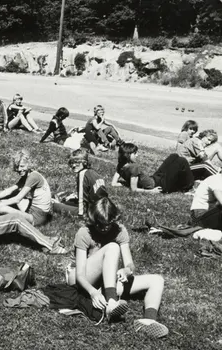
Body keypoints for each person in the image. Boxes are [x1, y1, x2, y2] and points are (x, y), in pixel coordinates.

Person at [73, 197, 168, 338]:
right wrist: (93, 292)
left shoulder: (120, 231)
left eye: (108, 225)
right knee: (112, 247)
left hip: (107, 282)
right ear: (93, 220)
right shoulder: (84, 232)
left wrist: (127, 270)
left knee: (157, 280)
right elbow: (80, 275)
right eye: (100, 225)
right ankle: (111, 302)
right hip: (84, 280)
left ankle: (148, 321)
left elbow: (130, 264)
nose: (104, 229)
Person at [0, 151, 53, 227]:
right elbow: (9, 190)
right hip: (35, 209)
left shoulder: (33, 177)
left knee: (2, 209)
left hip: (37, 218)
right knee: (12, 195)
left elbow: (17, 199)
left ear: (29, 164)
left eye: (22, 166)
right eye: (17, 166)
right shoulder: (28, 175)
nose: (19, 169)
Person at [112, 142, 194, 194]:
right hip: (161, 185)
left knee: (174, 156)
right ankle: (188, 186)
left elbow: (113, 183)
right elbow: (134, 189)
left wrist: (125, 183)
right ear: (127, 155)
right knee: (182, 161)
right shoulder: (134, 167)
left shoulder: (121, 165)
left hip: (154, 178)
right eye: (135, 153)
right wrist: (152, 191)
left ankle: (184, 181)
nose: (137, 155)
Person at [53, 149, 108, 217]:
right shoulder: (94, 173)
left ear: (84, 163)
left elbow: (82, 201)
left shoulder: (82, 174)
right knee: (69, 200)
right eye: (71, 162)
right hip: (102, 209)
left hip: (89, 212)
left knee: (54, 205)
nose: (73, 165)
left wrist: (81, 215)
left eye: (77, 162)